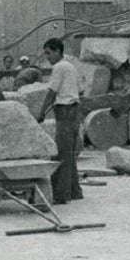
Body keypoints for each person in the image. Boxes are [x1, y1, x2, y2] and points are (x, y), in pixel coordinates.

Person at [36, 38, 82, 206]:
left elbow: (51, 93)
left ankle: (60, 194)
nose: (47, 57)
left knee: (61, 154)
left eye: (48, 53)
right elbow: (78, 90)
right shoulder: (71, 66)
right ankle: (75, 191)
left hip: (65, 111)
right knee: (69, 153)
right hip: (74, 110)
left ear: (57, 51)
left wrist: (40, 113)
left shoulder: (58, 67)